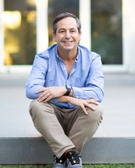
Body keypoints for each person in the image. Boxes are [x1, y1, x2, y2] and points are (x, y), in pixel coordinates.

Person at [25, 12, 104, 168]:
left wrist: (65, 90)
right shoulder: (43, 58)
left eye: (72, 31)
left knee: (96, 109)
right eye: (62, 31)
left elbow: (97, 93)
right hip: (52, 118)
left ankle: (61, 155)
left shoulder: (93, 58)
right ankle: (71, 154)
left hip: (78, 118)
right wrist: (68, 98)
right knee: (36, 105)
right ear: (54, 35)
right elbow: (31, 90)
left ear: (79, 35)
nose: (68, 36)